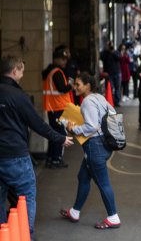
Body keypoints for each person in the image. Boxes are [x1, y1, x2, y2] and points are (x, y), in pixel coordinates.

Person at [0, 55, 73, 239]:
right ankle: (26, 234)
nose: (23, 75)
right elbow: (37, 124)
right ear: (15, 71)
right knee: (27, 195)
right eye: (22, 70)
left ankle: (4, 233)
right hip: (15, 154)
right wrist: (60, 138)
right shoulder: (18, 96)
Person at [61, 72, 121, 229]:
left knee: (103, 183)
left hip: (95, 148)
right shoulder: (100, 97)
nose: (74, 87)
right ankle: (75, 211)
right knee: (83, 177)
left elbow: (92, 126)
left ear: (87, 85)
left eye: (78, 84)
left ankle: (113, 217)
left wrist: (74, 129)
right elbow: (113, 113)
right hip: (104, 145)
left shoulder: (87, 101)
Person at [42, 47, 73, 169]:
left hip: (52, 107)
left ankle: (50, 158)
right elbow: (61, 89)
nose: (64, 61)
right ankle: (56, 159)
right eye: (62, 59)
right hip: (58, 107)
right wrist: (71, 85)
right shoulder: (57, 72)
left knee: (53, 133)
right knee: (60, 134)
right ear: (56, 59)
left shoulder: (50, 72)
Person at [100, 41, 121, 107]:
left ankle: (116, 102)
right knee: (110, 87)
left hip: (116, 72)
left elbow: (119, 58)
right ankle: (110, 101)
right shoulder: (105, 53)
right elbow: (101, 57)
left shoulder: (115, 52)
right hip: (109, 73)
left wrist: (112, 52)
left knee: (117, 87)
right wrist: (106, 50)